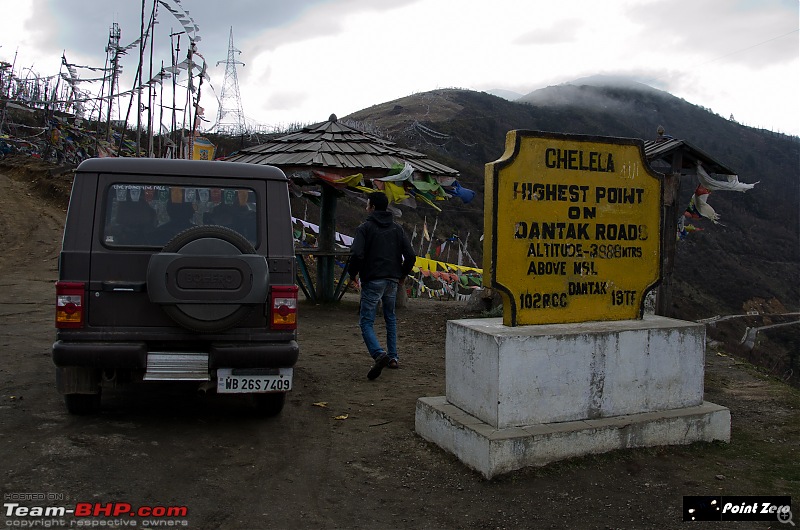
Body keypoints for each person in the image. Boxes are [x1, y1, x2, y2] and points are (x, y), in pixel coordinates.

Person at [348, 192, 416, 380]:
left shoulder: (365, 228)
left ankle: (379, 354)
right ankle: (393, 357)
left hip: (373, 279)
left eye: (367, 204)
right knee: (390, 317)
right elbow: (410, 255)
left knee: (366, 321)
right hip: (392, 280)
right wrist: (401, 275)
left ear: (372, 207)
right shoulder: (397, 229)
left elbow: (356, 254)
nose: (366, 207)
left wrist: (352, 274)